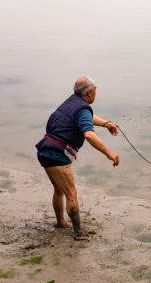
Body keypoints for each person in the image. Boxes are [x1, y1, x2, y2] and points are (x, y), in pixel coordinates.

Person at [36, 76, 119, 240]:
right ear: (89, 93)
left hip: (45, 150)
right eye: (95, 91)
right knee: (71, 194)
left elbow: (86, 118)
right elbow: (89, 134)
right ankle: (78, 233)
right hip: (57, 155)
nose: (95, 94)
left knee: (60, 189)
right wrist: (110, 153)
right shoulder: (82, 109)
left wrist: (106, 123)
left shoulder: (71, 103)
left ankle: (61, 222)